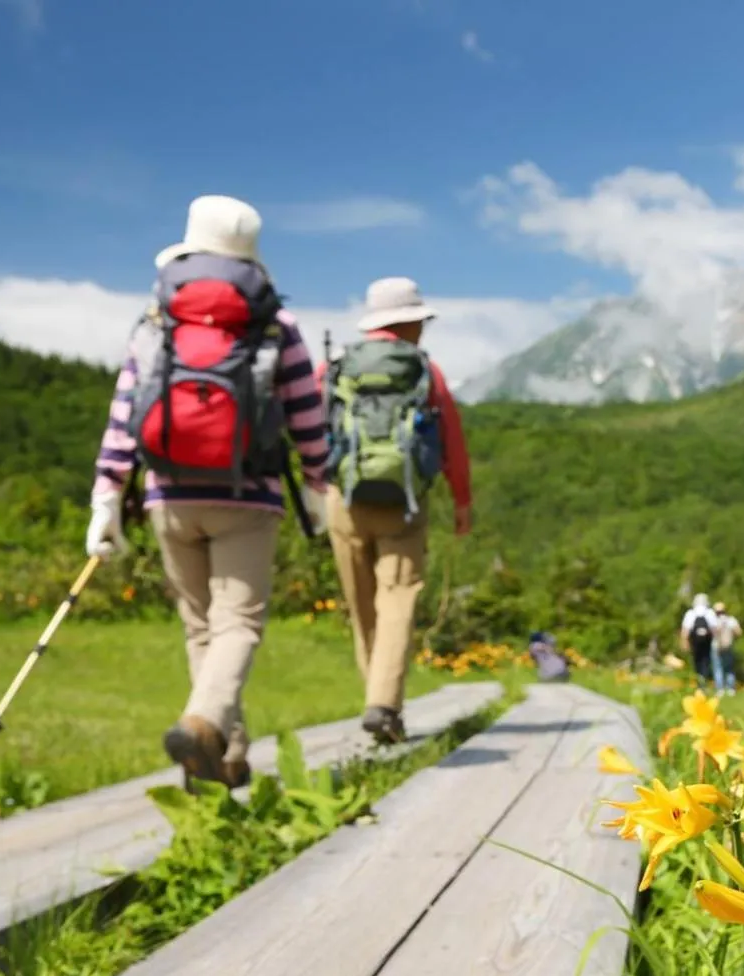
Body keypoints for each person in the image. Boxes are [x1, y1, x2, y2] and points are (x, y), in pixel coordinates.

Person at [86, 194, 330, 787]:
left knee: (201, 627)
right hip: (248, 496)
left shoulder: (155, 320)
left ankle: (225, 755)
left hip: (167, 492)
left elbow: (125, 412)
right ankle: (204, 726)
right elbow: (306, 416)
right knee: (238, 624)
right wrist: (320, 488)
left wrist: (106, 496)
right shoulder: (276, 325)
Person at [319, 277, 473, 744]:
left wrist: (314, 482)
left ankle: (377, 700)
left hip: (343, 497)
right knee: (398, 599)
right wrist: (462, 501)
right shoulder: (427, 371)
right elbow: (451, 440)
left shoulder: (337, 365)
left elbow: (312, 422)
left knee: (362, 605)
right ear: (408, 323)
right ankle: (383, 704)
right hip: (404, 502)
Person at [679, 592, 717, 688]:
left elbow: (685, 630)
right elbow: (714, 629)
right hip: (707, 642)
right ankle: (703, 682)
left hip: (695, 642)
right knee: (706, 662)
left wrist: (684, 642)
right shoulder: (710, 612)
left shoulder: (690, 613)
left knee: (697, 662)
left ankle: (699, 683)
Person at [711, 601, 742, 696]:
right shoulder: (731, 620)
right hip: (728, 646)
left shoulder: (713, 620)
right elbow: (739, 632)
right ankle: (730, 689)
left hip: (716, 647)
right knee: (729, 668)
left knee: (718, 668)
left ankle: (720, 689)